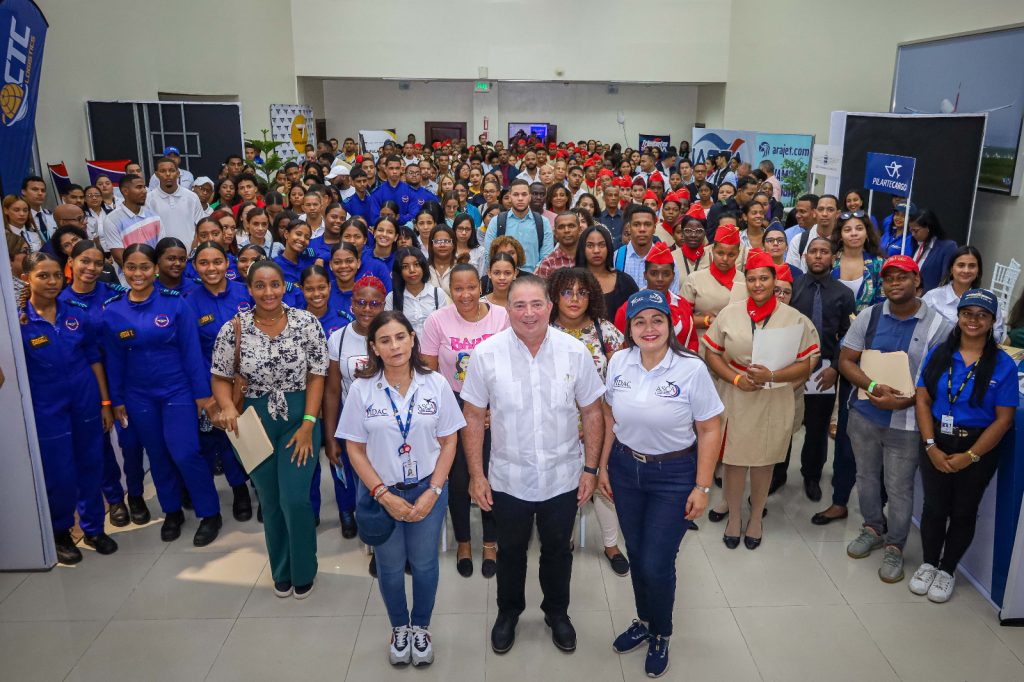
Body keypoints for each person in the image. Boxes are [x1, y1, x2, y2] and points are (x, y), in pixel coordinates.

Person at [461, 274, 606, 655]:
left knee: (558, 551)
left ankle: (557, 612)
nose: (529, 313)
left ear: (550, 307)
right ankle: (508, 612)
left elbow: (592, 412)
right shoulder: (486, 354)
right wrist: (476, 475)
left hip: (563, 476)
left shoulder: (574, 352)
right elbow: (473, 416)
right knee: (510, 552)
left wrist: (591, 469)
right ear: (507, 309)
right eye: (520, 305)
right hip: (509, 478)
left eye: (537, 304)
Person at [599, 289, 723, 678]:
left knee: (656, 561)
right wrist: (602, 466)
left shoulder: (690, 368)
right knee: (637, 554)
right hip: (625, 469)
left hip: (674, 474)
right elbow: (608, 414)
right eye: (640, 322)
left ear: (670, 325)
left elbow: (710, 428)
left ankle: (661, 632)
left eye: (657, 320)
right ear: (629, 328)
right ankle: (644, 620)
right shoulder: (619, 361)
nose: (648, 328)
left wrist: (702, 487)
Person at [338, 311, 463, 667]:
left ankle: (420, 627)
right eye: (385, 340)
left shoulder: (436, 384)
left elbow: (449, 441)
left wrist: (433, 491)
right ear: (374, 348)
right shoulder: (362, 390)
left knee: (424, 565)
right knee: (390, 567)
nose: (394, 346)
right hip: (381, 494)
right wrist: (383, 494)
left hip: (427, 488)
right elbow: (354, 449)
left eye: (400, 337)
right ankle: (399, 628)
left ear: (412, 339)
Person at [211, 260, 328, 599]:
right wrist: (227, 405)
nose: (268, 292)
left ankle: (304, 568)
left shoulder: (306, 322)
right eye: (260, 285)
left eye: (274, 284)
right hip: (253, 421)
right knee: (271, 500)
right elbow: (220, 376)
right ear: (249, 289)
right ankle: (282, 569)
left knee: (295, 498)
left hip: (299, 416)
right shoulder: (233, 328)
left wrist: (309, 423)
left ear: (284, 286)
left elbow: (317, 376)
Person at [839, 255, 952, 583]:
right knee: (866, 477)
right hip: (864, 416)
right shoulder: (870, 315)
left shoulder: (940, 326)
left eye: (902, 277)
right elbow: (847, 360)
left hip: (908, 424)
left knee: (899, 487)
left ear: (918, 281)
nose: (894, 283)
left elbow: (939, 380)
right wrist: (873, 386)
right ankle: (873, 527)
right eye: (888, 278)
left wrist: (905, 401)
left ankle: (895, 546)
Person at [102, 243, 222, 546]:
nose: (138, 273)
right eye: (131, 267)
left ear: (155, 269)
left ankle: (210, 513)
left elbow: (192, 353)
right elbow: (113, 361)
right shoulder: (113, 310)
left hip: (177, 390)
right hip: (138, 396)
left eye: (144, 267)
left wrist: (202, 395)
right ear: (123, 270)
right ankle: (172, 511)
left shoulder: (175, 304)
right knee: (157, 454)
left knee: (185, 452)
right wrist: (116, 400)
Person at [702, 250, 819, 548]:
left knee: (764, 461)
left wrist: (773, 375)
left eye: (764, 278)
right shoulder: (730, 313)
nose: (757, 285)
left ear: (774, 280)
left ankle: (755, 517)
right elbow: (712, 353)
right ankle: (734, 518)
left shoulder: (794, 318)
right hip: (737, 393)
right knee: (733, 460)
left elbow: (806, 363)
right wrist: (736, 379)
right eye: (752, 279)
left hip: (773, 396)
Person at [912, 289, 1016, 602]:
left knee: (963, 511)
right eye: (967, 314)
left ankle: (947, 570)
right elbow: (922, 399)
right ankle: (929, 563)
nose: (973, 320)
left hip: (977, 446)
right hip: (936, 439)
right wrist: (931, 446)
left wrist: (970, 456)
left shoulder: (1003, 365)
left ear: (992, 321)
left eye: (982, 315)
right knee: (934, 507)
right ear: (958, 317)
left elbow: (1003, 420)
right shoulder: (940, 354)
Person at [19, 251, 119, 564]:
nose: (51, 282)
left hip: (85, 400)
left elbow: (94, 359)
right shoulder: (19, 322)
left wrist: (105, 402)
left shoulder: (76, 314)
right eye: (42, 276)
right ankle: (61, 532)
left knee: (91, 465)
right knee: (59, 474)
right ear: (26, 279)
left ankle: (93, 529)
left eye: (55, 276)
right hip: (47, 409)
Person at [421, 264, 509, 577]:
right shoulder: (437, 320)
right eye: (458, 289)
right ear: (450, 290)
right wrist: (450, 413)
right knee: (458, 478)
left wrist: (495, 409)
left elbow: (511, 366)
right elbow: (429, 373)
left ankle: (490, 542)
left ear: (480, 286)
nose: (465, 294)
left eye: (471, 287)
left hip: (494, 405)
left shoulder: (501, 316)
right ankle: (463, 541)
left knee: (490, 473)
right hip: (453, 404)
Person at [547, 267, 630, 575]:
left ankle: (611, 545)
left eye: (582, 293)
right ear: (555, 296)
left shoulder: (605, 331)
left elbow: (623, 376)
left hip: (599, 426)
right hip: (556, 428)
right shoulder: (543, 330)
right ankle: (564, 542)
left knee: (602, 487)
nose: (574, 299)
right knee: (563, 489)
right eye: (567, 292)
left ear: (592, 296)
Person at [777, 238, 857, 510]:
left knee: (817, 427)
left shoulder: (843, 294)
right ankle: (777, 473)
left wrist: (835, 367)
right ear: (805, 256)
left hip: (824, 369)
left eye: (824, 252)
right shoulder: (793, 288)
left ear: (833, 257)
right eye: (813, 251)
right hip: (791, 366)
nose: (819, 256)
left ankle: (811, 475)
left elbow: (848, 335)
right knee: (786, 423)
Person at [322, 276, 390, 573]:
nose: (367, 309)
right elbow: (332, 391)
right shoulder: (338, 338)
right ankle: (375, 543)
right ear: (351, 303)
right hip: (355, 428)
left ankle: (390, 545)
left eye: (374, 303)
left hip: (388, 425)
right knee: (365, 488)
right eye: (361, 302)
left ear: (384, 305)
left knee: (388, 483)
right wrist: (330, 437)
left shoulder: (391, 334)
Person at [185, 241, 256, 521]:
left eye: (217, 261)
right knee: (223, 440)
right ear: (195, 267)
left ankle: (262, 489)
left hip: (252, 381)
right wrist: (207, 394)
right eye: (204, 263)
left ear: (227, 264)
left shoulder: (246, 291)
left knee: (255, 436)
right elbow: (192, 353)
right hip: (214, 384)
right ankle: (239, 490)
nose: (211, 268)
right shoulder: (189, 303)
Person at [613, 242, 698, 352]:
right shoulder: (627, 309)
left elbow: (692, 341)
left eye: (666, 274)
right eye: (654, 273)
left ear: (673, 276)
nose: (660, 279)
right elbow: (621, 348)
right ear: (645, 275)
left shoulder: (683, 305)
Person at [922, 245, 1005, 342]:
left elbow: (997, 332)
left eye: (972, 266)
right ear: (951, 269)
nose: (966, 270)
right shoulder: (932, 297)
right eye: (961, 265)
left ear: (978, 270)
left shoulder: (988, 298)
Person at [681, 224, 746, 343]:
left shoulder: (744, 281)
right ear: (712, 250)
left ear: (738, 253)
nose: (725, 259)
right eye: (720, 253)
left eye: (731, 255)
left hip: (734, 347)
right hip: (700, 345)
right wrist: (707, 321)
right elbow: (680, 317)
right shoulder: (695, 279)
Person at [482, 179, 553, 273]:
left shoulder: (543, 222)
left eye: (524, 194)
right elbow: (489, 254)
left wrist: (536, 274)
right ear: (510, 197)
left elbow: (547, 256)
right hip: (505, 277)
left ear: (530, 197)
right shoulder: (496, 221)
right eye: (516, 194)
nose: (520, 198)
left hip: (533, 277)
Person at [385, 247, 450, 337]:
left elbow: (444, 326)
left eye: (416, 264)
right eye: (405, 266)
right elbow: (388, 329)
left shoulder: (437, 293)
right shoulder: (392, 297)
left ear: (423, 267)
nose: (412, 270)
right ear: (399, 271)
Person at [576, 224, 638, 317]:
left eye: (602, 245)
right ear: (582, 249)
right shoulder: (571, 280)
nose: (596, 250)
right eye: (590, 245)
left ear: (609, 247)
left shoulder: (625, 282)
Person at [614, 207, 679, 292]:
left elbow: (673, 296)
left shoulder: (668, 260)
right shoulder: (616, 257)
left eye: (647, 224)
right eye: (636, 224)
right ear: (629, 228)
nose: (642, 229)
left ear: (654, 228)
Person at [103, 175, 162, 268]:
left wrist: (155, 272)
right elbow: (119, 257)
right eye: (139, 187)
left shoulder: (155, 217)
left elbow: (162, 250)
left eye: (144, 187)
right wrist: (139, 272)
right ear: (125, 191)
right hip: (128, 275)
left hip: (154, 274)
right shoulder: (111, 220)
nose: (144, 191)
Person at [831, 211, 885, 312]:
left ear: (867, 233)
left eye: (859, 229)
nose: (854, 233)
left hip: (869, 321)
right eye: (847, 230)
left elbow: (882, 301)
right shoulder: (830, 261)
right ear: (840, 236)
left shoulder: (879, 264)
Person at [147, 156, 204, 245]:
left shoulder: (192, 197)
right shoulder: (148, 199)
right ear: (156, 175)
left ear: (178, 173)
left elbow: (202, 225)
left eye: (172, 170)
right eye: (163, 171)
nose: (168, 174)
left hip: (190, 252)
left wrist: (195, 248)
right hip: (160, 252)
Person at [535, 212, 581, 279]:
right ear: (555, 233)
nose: (566, 230)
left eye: (571, 226)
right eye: (561, 227)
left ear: (579, 230)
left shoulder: (589, 257)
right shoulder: (547, 264)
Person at [273, 220, 316, 285]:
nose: (302, 239)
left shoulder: (309, 257)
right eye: (298, 234)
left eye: (307, 237)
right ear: (286, 234)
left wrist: (321, 259)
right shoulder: (275, 265)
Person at [426, 224, 458, 296]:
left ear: (453, 245)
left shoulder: (461, 266)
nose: (442, 245)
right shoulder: (423, 267)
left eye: (447, 241)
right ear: (431, 245)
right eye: (437, 241)